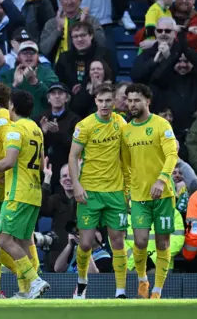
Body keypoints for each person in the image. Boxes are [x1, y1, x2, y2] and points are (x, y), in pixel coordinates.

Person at [0, 90, 50, 299]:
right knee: (23, 242)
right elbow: (42, 163)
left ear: (12, 106)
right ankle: (25, 291)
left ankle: (34, 280)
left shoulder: (15, 130)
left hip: (17, 193)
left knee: (4, 240)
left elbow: (9, 161)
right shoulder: (36, 129)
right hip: (34, 192)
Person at [68, 84, 130, 299]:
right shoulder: (84, 125)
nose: (104, 105)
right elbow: (73, 156)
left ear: (114, 101)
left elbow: (128, 155)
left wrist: (128, 189)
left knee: (118, 241)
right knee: (85, 243)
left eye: (108, 100)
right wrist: (76, 185)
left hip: (115, 192)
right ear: (95, 101)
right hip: (90, 192)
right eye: (100, 100)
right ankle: (82, 284)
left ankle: (120, 290)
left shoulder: (121, 123)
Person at [121, 83, 178, 299]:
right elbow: (126, 165)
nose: (132, 104)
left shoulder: (161, 125)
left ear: (147, 101)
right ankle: (143, 279)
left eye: (137, 100)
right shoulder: (126, 131)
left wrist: (162, 180)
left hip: (163, 195)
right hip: (138, 196)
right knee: (140, 241)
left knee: (163, 242)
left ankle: (157, 290)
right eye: (129, 100)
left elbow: (172, 155)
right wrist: (127, 190)